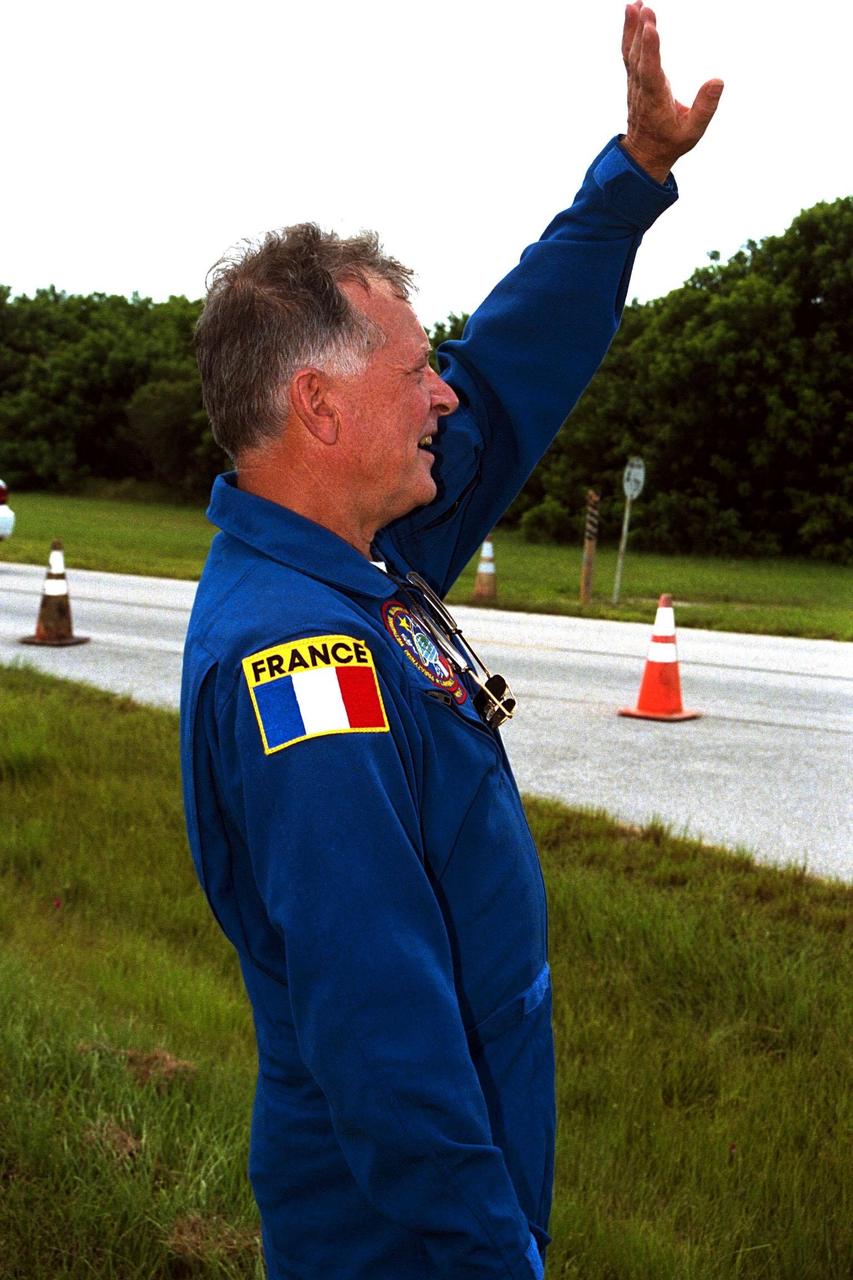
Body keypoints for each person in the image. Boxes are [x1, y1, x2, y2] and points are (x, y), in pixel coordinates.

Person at [180, 5, 722, 1276]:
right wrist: (491, 1255)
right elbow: (383, 1037)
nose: (442, 392)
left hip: (444, 1182)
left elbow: (510, 370)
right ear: (317, 404)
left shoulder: (368, 557)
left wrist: (631, 179)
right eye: (417, 369)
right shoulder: (303, 668)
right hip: (398, 1230)